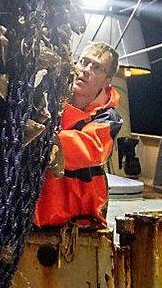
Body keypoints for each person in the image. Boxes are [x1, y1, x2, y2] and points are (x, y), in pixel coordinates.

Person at [34, 42, 123, 228]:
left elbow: (91, 149)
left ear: (108, 80)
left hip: (79, 219)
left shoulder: (108, 117)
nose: (86, 70)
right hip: (38, 211)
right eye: (84, 62)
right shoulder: (51, 99)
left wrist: (38, 135)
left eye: (97, 67)